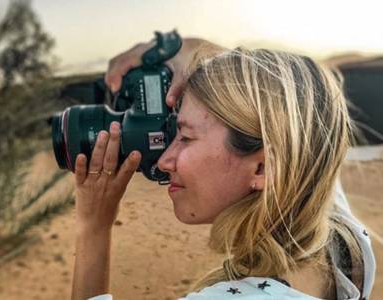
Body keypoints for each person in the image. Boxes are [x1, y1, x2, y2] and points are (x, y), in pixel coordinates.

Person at [71, 37, 376, 300]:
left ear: (263, 169)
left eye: (185, 137)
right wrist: (185, 52)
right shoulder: (344, 242)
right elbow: (290, 110)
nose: (164, 160)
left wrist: (93, 228)